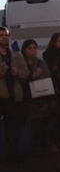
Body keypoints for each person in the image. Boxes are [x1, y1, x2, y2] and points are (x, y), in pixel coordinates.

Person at [0, 27, 28, 160]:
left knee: (13, 126)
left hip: (14, 95)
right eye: (1, 35)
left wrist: (17, 73)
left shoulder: (16, 55)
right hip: (2, 94)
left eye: (6, 35)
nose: (4, 37)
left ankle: (12, 152)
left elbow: (25, 72)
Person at [21, 39, 52, 155]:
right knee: (30, 124)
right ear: (24, 50)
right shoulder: (21, 62)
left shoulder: (40, 63)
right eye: (30, 48)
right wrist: (34, 75)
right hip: (27, 98)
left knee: (42, 123)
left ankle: (42, 145)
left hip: (41, 96)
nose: (33, 51)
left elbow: (46, 75)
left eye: (35, 48)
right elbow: (22, 77)